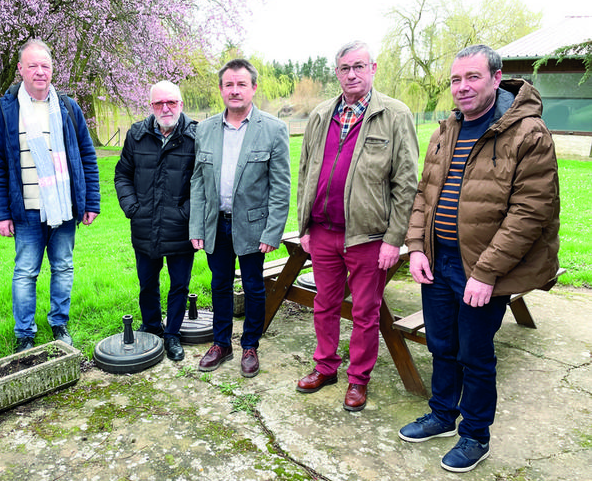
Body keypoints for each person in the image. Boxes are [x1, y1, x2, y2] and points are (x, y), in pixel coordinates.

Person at [399, 44, 560, 472]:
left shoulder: (529, 134)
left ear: (495, 77)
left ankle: (474, 435)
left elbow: (530, 213)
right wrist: (417, 247)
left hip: (483, 270)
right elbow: (423, 194)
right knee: (441, 345)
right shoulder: (446, 129)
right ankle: (441, 415)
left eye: (472, 77)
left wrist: (487, 273)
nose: (463, 87)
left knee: (475, 354)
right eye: (455, 79)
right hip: (438, 262)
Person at [295, 41, 419, 411]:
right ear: (336, 72)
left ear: (373, 68)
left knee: (366, 312)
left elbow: (407, 182)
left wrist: (394, 239)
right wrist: (304, 224)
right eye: (344, 68)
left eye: (359, 66)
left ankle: (358, 379)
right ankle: (326, 367)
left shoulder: (395, 114)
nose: (351, 74)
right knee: (324, 304)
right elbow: (306, 171)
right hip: (322, 231)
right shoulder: (320, 114)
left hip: (368, 236)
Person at [0, 39, 100, 352]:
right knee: (25, 271)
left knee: (63, 267)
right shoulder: (4, 110)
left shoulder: (67, 108)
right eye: (32, 65)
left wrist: (91, 202)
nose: (39, 72)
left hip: (63, 207)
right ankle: (24, 333)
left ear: (52, 70)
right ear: (20, 69)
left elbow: (87, 156)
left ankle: (59, 323)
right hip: (26, 211)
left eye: (44, 66)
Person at [189, 58, 291, 378]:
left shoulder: (273, 129)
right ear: (221, 89)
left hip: (253, 226)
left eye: (241, 84)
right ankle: (221, 343)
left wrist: (272, 232)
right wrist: (196, 225)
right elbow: (197, 182)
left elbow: (280, 186)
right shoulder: (204, 130)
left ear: (253, 88)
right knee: (219, 285)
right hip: (215, 224)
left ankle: (249, 346)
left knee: (253, 288)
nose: (235, 91)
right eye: (229, 85)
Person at [114, 81, 197, 362]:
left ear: (181, 104)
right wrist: (132, 207)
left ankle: (172, 333)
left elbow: (202, 183)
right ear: (150, 106)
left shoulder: (195, 136)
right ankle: (151, 327)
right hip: (144, 225)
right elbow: (122, 175)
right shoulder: (136, 135)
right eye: (159, 103)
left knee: (179, 285)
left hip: (181, 228)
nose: (165, 108)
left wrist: (185, 212)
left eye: (171, 102)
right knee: (147, 283)